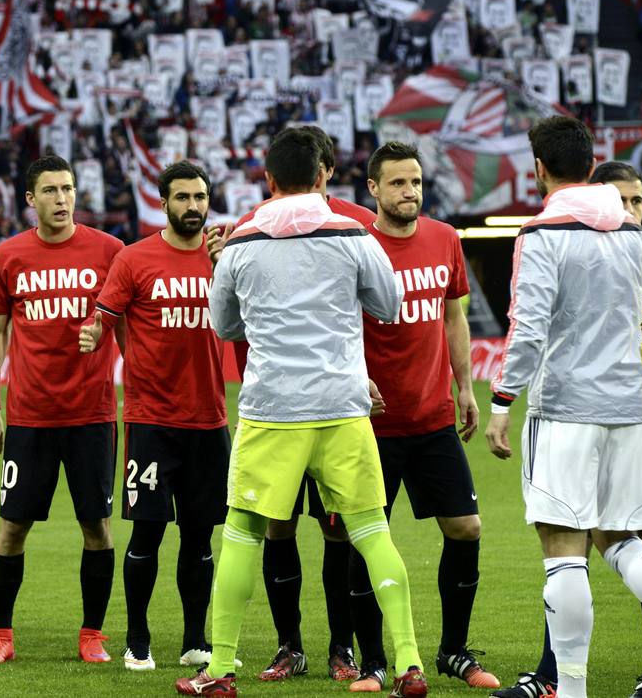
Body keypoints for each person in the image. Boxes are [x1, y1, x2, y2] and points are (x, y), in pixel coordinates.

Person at [179, 126, 427, 698]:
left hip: (272, 409)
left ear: (268, 180)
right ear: (324, 177)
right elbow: (389, 305)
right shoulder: (353, 233)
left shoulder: (239, 243)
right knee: (371, 530)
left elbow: (223, 326)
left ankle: (220, 669)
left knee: (242, 532)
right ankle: (409, 662)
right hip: (342, 404)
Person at [485, 117, 642, 698]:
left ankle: (570, 690)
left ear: (539, 169)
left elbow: (529, 325)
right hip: (628, 407)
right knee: (621, 539)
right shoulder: (631, 234)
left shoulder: (539, 235)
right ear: (592, 166)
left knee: (563, 547)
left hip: (565, 406)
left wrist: (501, 401)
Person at [343, 141, 498, 691]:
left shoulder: (443, 238)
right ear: (373, 190)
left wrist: (466, 389)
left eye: (416, 182)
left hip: (433, 418)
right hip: (371, 425)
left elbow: (452, 315)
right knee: (367, 540)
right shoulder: (356, 246)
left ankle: (453, 651)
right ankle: (373, 661)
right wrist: (354, 380)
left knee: (466, 527)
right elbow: (335, 325)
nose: (410, 192)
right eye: (398, 183)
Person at [0, 154, 124, 667]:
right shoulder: (8, 255)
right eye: (51, 191)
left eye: (68, 189)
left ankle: (92, 634)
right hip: (31, 417)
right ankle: (0, 634)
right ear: (31, 199)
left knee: (96, 526)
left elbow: (129, 326)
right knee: (12, 526)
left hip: (92, 415)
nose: (62, 199)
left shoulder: (109, 251)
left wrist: (104, 331)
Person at [78, 161, 228, 672]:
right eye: (182, 197)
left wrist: (228, 267)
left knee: (199, 534)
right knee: (147, 532)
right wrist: (92, 335)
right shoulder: (134, 258)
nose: (193, 206)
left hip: (210, 419)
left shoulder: (225, 259)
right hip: (152, 421)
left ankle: (195, 638)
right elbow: (104, 317)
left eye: (200, 197)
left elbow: (253, 317)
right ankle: (137, 639)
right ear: (162, 202)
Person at [247, 125, 378, 686]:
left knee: (336, 530)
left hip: (330, 403)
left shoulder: (353, 226)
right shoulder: (260, 225)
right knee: (278, 528)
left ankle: (341, 648)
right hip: (280, 401)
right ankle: (288, 646)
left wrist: (361, 375)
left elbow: (363, 315)